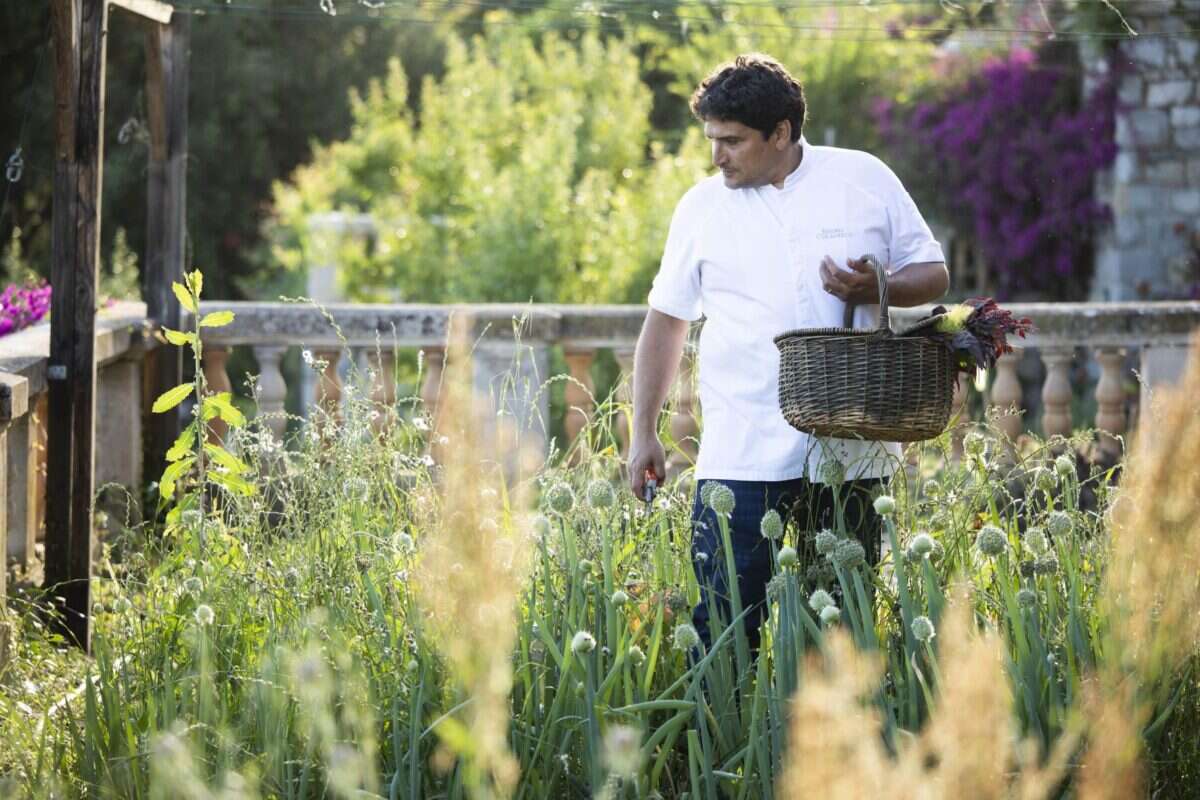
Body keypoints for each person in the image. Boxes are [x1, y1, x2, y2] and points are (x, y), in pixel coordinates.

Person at [627, 53, 949, 652]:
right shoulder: (701, 206)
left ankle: (827, 747)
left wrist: (875, 286)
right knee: (722, 633)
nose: (717, 156)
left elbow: (934, 273)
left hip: (851, 450)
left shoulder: (863, 178)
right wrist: (643, 430)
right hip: (740, 454)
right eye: (712, 140)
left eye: (732, 141)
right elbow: (666, 321)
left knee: (839, 638)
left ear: (781, 133)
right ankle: (718, 745)